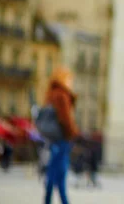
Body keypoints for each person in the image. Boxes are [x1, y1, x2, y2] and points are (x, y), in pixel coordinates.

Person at [43, 66, 79, 204]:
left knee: (55, 171)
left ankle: (51, 200)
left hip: (54, 138)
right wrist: (74, 133)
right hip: (63, 138)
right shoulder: (61, 95)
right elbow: (65, 119)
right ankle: (60, 201)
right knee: (59, 172)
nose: (71, 82)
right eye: (69, 78)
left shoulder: (51, 93)